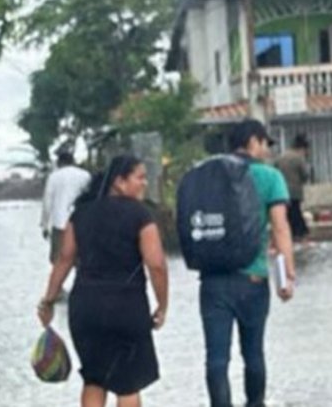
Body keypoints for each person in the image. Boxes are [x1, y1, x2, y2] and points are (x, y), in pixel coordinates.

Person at [37, 155, 169, 407]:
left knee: (94, 379)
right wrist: (162, 306)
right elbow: (156, 265)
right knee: (127, 383)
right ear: (119, 181)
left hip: (85, 309)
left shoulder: (81, 213)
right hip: (126, 309)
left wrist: (48, 301)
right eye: (139, 177)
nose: (144, 183)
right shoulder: (140, 214)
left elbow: (64, 260)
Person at [201, 119, 296, 407]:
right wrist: (287, 275)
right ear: (253, 141)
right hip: (252, 280)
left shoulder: (208, 174)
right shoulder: (269, 177)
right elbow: (280, 229)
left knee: (217, 357)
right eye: (266, 143)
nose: (267, 150)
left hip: (213, 280)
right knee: (253, 353)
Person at [42, 149, 93, 265]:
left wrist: (45, 225)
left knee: (57, 260)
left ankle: (59, 283)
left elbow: (47, 202)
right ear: (73, 161)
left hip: (60, 224)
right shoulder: (85, 175)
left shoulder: (54, 177)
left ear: (59, 163)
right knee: (81, 259)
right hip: (81, 224)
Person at [274, 134, 312, 242]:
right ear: (303, 148)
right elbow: (305, 175)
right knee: (296, 214)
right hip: (294, 193)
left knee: (288, 216)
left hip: (281, 192)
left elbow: (274, 171)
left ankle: (289, 237)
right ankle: (301, 236)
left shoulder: (281, 157)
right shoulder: (299, 158)